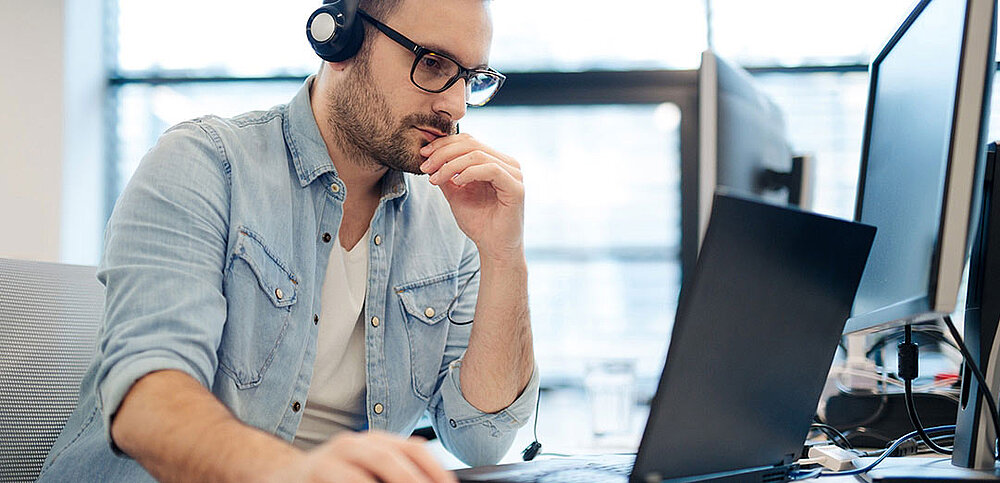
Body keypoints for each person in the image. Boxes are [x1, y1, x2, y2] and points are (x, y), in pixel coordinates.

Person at [38, 0, 538, 480]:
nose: (455, 106)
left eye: (470, 80)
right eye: (431, 63)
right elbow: (146, 403)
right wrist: (293, 473)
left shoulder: (451, 218)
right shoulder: (204, 164)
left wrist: (504, 254)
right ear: (339, 38)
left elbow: (481, 439)